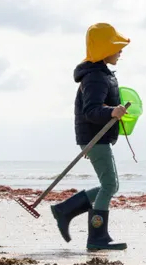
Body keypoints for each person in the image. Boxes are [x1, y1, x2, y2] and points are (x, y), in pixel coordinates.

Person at [49, 22, 130, 252]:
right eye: (117, 46)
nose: (121, 51)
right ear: (105, 49)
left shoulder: (101, 74)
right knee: (110, 184)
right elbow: (91, 111)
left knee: (110, 185)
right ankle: (97, 237)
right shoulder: (94, 77)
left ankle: (65, 210)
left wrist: (113, 111)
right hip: (95, 136)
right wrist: (111, 111)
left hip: (97, 137)